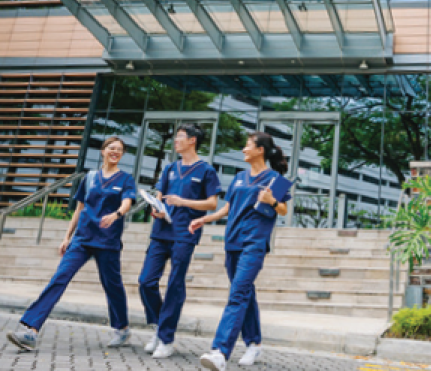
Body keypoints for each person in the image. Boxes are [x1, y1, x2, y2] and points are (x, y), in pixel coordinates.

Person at [6, 136, 136, 351]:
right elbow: (79, 208)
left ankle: (122, 328)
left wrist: (117, 213)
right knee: (59, 278)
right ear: (103, 151)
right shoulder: (90, 178)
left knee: (112, 286)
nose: (116, 152)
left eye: (120, 150)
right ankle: (30, 330)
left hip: (107, 242)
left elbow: (128, 201)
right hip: (82, 239)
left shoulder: (125, 179)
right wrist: (67, 236)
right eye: (112, 148)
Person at [189, 132, 290, 370]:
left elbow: (283, 209)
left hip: (254, 243)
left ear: (260, 150)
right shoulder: (238, 178)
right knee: (244, 292)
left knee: (237, 294)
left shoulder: (276, 179)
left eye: (248, 145)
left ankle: (220, 352)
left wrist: (271, 200)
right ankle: (254, 342)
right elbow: (228, 208)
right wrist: (205, 219)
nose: (244, 149)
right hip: (232, 241)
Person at [138, 123, 221, 358]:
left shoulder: (206, 170)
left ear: (192, 140)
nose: (176, 140)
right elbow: (160, 196)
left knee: (175, 283)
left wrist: (183, 202)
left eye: (180, 137)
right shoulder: (170, 168)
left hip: (185, 234)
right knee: (145, 281)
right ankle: (158, 325)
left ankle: (166, 338)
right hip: (160, 232)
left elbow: (212, 204)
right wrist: (158, 209)